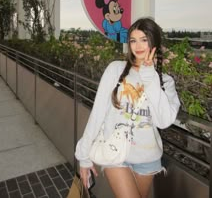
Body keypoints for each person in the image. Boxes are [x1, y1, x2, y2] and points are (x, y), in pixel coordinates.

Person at [75, 17, 180, 198]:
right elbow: (98, 113)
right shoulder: (116, 69)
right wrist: (83, 155)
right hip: (115, 153)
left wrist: (149, 76)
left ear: (154, 42)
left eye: (144, 39)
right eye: (133, 40)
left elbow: (163, 122)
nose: (138, 46)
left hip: (147, 157)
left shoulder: (166, 82)